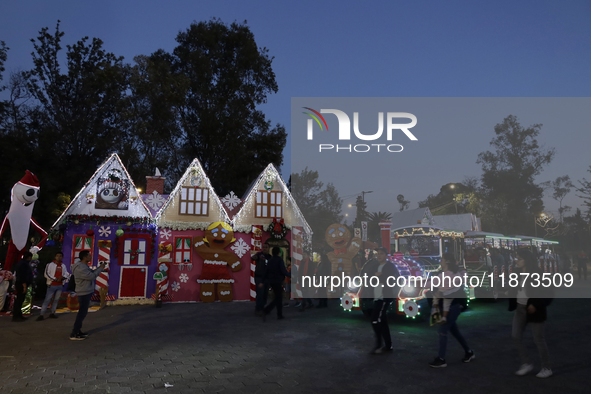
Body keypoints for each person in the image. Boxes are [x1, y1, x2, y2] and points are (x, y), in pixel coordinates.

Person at [509, 249, 553, 378]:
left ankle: (547, 367)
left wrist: (536, 304)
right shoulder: (516, 272)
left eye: (519, 258)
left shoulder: (538, 273)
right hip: (520, 308)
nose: (516, 260)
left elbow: (548, 293)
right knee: (515, 336)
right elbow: (514, 287)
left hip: (535, 310)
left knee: (538, 339)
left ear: (526, 260)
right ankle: (526, 363)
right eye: (516, 258)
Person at [429, 252, 474, 368]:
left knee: (442, 331)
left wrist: (441, 292)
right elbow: (434, 288)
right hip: (446, 305)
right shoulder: (440, 274)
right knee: (455, 332)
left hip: (454, 306)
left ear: (447, 261)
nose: (440, 261)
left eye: (442, 259)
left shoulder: (456, 275)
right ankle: (469, 352)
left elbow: (454, 291)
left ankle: (441, 359)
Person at [366, 247, 398, 354]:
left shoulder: (390, 266)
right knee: (382, 321)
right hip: (376, 296)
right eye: (377, 253)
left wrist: (380, 276)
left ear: (386, 255)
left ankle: (379, 344)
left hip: (384, 297)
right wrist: (377, 276)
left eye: (381, 253)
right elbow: (369, 276)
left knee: (375, 320)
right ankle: (388, 345)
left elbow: (392, 279)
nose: (379, 255)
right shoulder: (375, 266)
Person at [70, 250, 105, 340]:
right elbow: (91, 276)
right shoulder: (80, 267)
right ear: (84, 257)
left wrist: (99, 268)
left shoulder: (83, 266)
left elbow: (91, 273)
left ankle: (78, 331)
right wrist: (100, 269)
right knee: (82, 313)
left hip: (85, 291)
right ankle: (74, 333)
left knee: (83, 312)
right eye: (89, 256)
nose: (91, 257)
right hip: (83, 292)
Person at [37, 251, 70, 321]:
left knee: (56, 300)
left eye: (60, 256)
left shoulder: (63, 265)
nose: (59, 257)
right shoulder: (50, 264)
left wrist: (62, 278)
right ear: (55, 257)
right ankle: (41, 314)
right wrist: (55, 279)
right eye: (57, 256)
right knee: (47, 300)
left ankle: (52, 313)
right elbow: (46, 274)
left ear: (62, 257)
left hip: (60, 285)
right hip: (52, 284)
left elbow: (66, 274)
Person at [262, 246, 291, 320]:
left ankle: (278, 314)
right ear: (279, 253)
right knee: (278, 298)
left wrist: (263, 280)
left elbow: (266, 270)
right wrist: (290, 275)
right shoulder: (279, 260)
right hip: (278, 281)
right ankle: (267, 310)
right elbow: (283, 271)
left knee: (278, 297)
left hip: (271, 281)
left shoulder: (270, 260)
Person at [12, 252, 33, 322]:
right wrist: (24, 285)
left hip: (22, 283)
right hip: (21, 284)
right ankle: (16, 315)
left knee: (21, 300)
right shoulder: (23, 264)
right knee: (19, 300)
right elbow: (22, 275)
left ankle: (19, 314)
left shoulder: (23, 263)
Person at [252, 243, 271, 315]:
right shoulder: (259, 255)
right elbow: (253, 257)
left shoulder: (270, 257)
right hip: (259, 277)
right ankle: (258, 309)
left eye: (266, 247)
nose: (265, 248)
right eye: (264, 247)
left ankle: (262, 307)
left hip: (267, 278)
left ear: (269, 248)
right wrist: (255, 257)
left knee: (265, 294)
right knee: (260, 293)